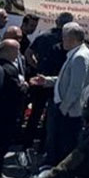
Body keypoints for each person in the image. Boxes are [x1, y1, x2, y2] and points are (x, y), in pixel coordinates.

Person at [31, 22, 89, 168]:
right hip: (68, 108)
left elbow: (75, 88)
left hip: (70, 111)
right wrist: (46, 81)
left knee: (65, 145)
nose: (62, 41)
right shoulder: (77, 53)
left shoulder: (80, 57)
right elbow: (66, 79)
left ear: (72, 38)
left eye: (64, 37)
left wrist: (63, 109)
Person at [23, 13, 71, 154]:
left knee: (35, 113)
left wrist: (36, 66)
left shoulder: (44, 36)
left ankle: (27, 143)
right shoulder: (67, 40)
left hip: (41, 78)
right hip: (57, 81)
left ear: (56, 22)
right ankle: (44, 146)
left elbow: (28, 53)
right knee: (51, 116)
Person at [0, 39, 27, 175]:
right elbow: (15, 91)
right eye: (16, 50)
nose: (18, 54)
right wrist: (24, 87)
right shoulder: (10, 69)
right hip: (6, 115)